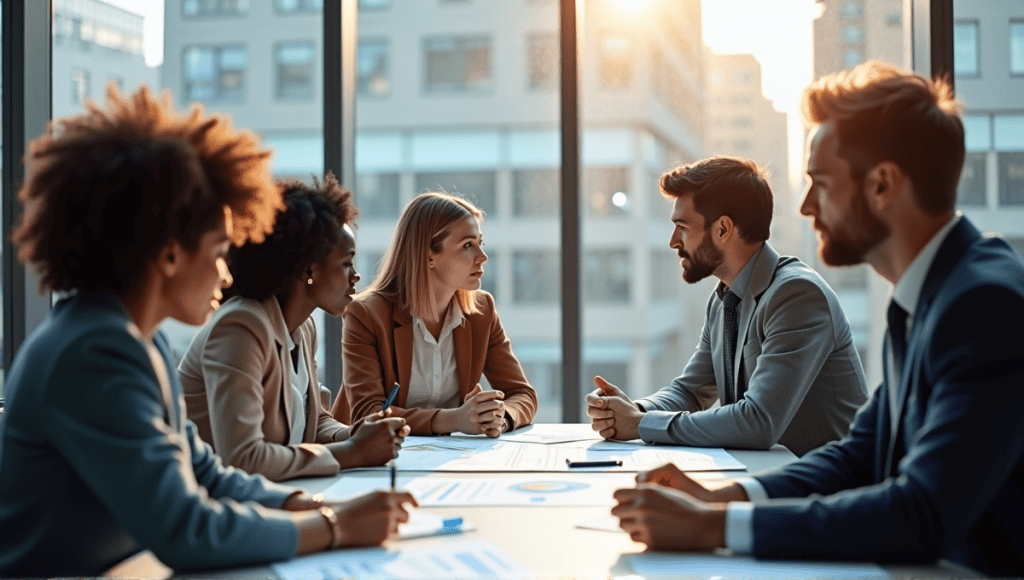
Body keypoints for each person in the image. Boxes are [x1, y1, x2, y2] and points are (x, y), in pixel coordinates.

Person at [611, 61, 1024, 577]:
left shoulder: (983, 305)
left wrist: (713, 527)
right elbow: (860, 454)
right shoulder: (927, 294)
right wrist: (722, 498)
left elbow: (922, 513)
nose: (806, 206)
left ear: (883, 185)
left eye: (821, 183)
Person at [0, 86, 416, 577]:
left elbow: (205, 473)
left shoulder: (134, 337)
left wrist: (301, 505)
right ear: (170, 254)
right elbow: (184, 529)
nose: (226, 273)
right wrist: (335, 527)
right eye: (219, 250)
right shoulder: (94, 352)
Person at [586, 156, 867, 456]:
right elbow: (691, 391)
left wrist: (641, 424)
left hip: (828, 490)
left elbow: (759, 421)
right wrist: (632, 410)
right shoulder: (724, 300)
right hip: (770, 476)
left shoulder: (797, 296)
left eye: (681, 226)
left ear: (723, 229)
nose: (672, 241)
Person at [178, 174, 409, 482]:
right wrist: (354, 451)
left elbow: (313, 425)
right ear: (309, 269)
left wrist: (359, 435)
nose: (355, 276)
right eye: (346, 263)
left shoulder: (303, 328)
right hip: (214, 509)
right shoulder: (240, 328)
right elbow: (243, 459)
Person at [333, 191, 538, 436]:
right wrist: (454, 420)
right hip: (371, 460)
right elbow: (367, 414)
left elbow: (523, 394)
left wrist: (498, 418)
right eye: (467, 246)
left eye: (479, 244)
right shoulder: (366, 314)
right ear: (428, 256)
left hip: (445, 460)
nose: (482, 257)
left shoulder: (482, 311)